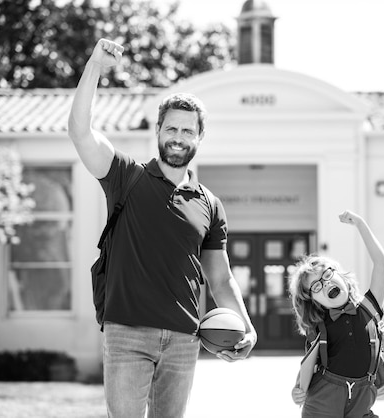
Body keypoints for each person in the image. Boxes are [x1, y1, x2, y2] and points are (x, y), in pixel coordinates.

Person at [68, 38, 257, 418]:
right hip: (127, 333)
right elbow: (80, 131)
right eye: (172, 129)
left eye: (188, 131)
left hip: (184, 339)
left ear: (200, 137)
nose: (178, 138)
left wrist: (247, 328)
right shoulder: (126, 176)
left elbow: (220, 280)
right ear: (158, 130)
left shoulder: (209, 204)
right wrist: (94, 67)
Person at [289, 210, 384, 418]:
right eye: (316, 287)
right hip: (325, 396)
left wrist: (361, 224)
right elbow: (309, 361)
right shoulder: (319, 324)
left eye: (327, 275)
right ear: (313, 301)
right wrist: (297, 390)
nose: (324, 284)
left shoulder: (369, 306)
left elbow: (381, 264)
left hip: (362, 393)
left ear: (340, 275)